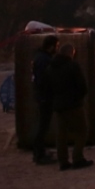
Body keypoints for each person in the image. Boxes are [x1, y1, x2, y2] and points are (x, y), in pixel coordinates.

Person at [48, 43, 93, 171]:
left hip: (58, 105)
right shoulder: (72, 66)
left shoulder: (51, 67)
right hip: (73, 105)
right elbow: (82, 86)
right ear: (70, 53)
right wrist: (78, 99)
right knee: (82, 131)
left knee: (61, 134)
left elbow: (46, 88)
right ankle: (77, 158)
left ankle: (63, 161)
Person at [31, 35, 58, 165]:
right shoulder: (44, 60)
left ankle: (39, 152)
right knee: (43, 126)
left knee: (43, 125)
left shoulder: (40, 58)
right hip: (45, 97)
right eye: (56, 46)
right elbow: (44, 80)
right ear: (51, 46)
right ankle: (39, 154)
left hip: (42, 96)